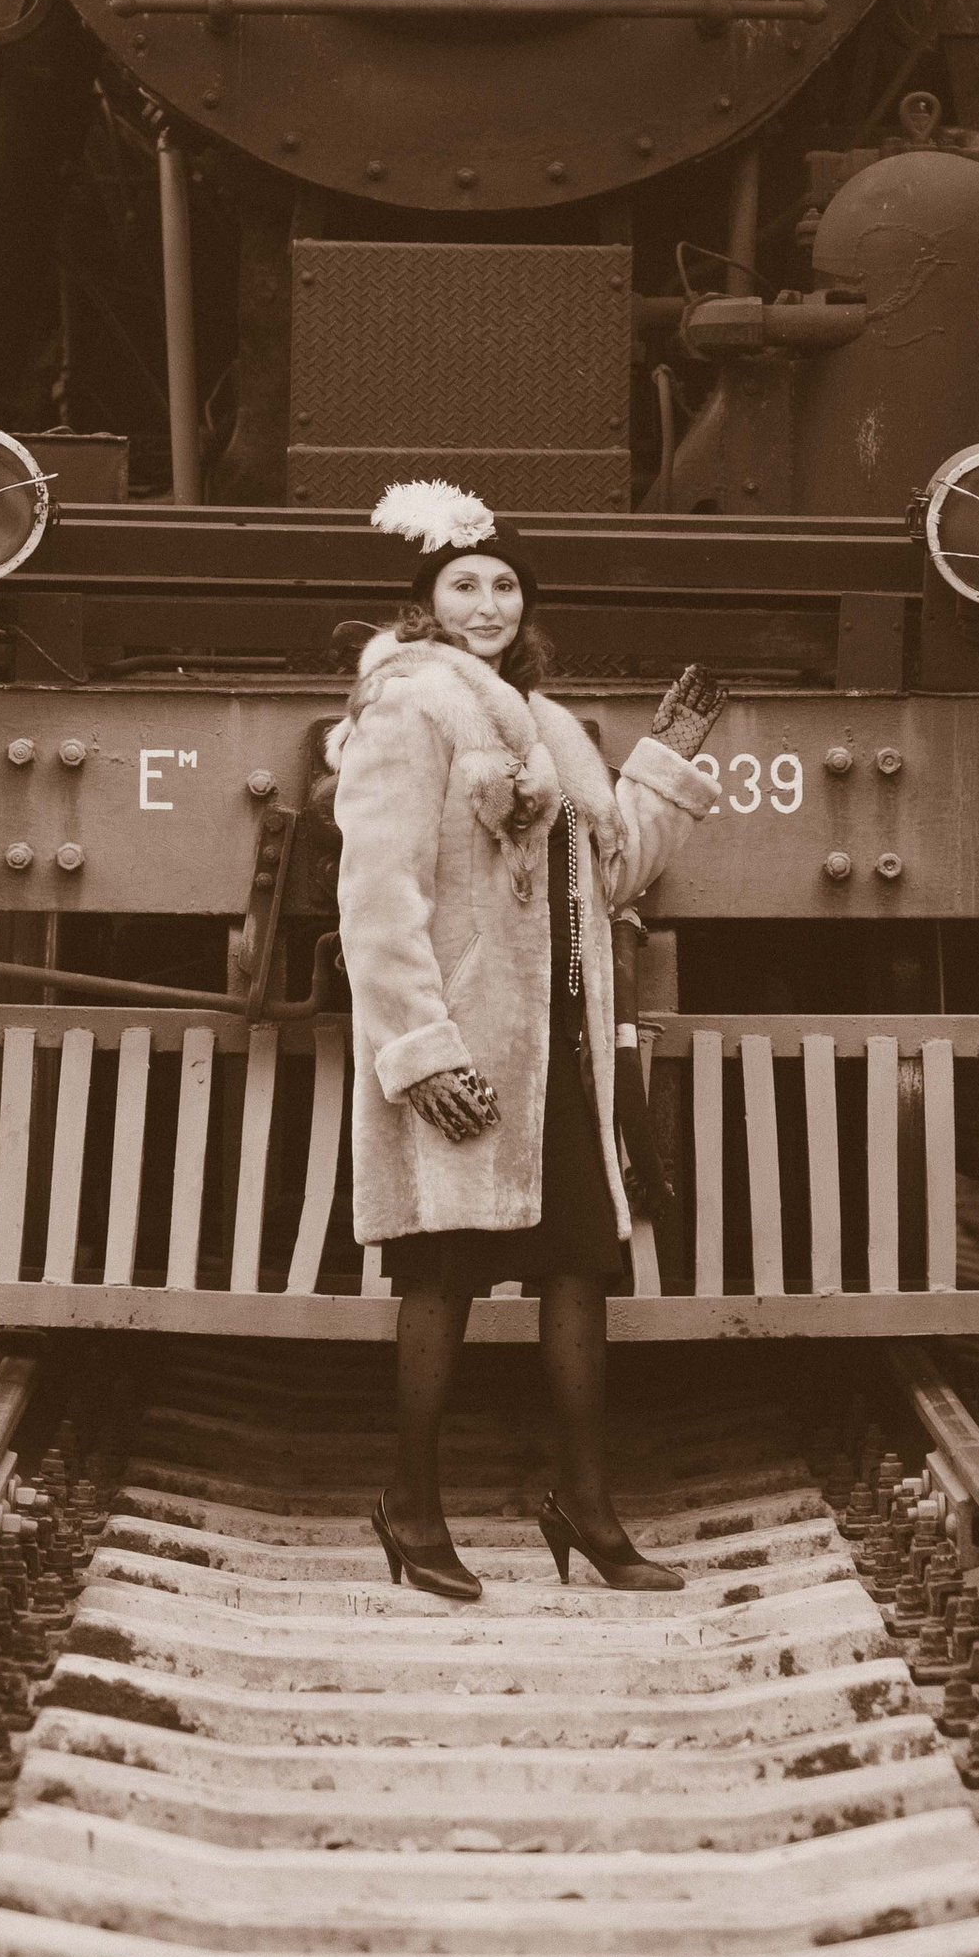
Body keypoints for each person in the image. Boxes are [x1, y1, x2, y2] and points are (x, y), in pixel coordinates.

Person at [328, 480, 726, 1606]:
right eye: (465, 584)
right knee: (442, 1282)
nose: (488, 603)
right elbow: (377, 897)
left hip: (560, 1048)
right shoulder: (408, 708)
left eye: (506, 586)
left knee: (579, 1270)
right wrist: (421, 1050)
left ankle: (586, 1511)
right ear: (426, 603)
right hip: (466, 1046)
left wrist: (667, 756)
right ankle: (409, 1508)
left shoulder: (545, 725)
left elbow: (611, 870)